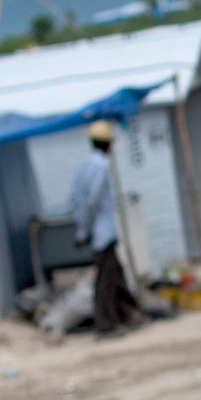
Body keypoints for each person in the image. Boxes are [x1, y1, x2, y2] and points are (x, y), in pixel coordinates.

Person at [69, 121, 142, 338]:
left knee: (115, 274)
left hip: (99, 231)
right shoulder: (101, 167)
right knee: (106, 281)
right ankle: (105, 324)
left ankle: (130, 314)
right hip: (103, 232)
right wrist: (83, 232)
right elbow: (92, 200)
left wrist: (82, 229)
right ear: (106, 144)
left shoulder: (83, 166)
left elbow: (75, 200)